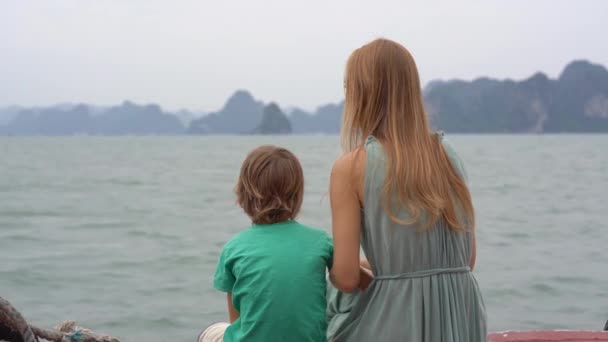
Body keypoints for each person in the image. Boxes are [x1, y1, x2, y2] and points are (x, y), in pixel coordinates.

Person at [326, 38, 487, 342]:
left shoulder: (351, 167)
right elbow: (468, 259)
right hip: (462, 321)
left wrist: (331, 269)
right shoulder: (447, 153)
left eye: (350, 88)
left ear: (363, 94)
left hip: (396, 322)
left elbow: (346, 278)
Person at [199, 145, 333, 342]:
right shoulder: (321, 242)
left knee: (211, 332)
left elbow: (239, 322)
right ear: (297, 193)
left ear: (244, 193)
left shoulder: (234, 249)